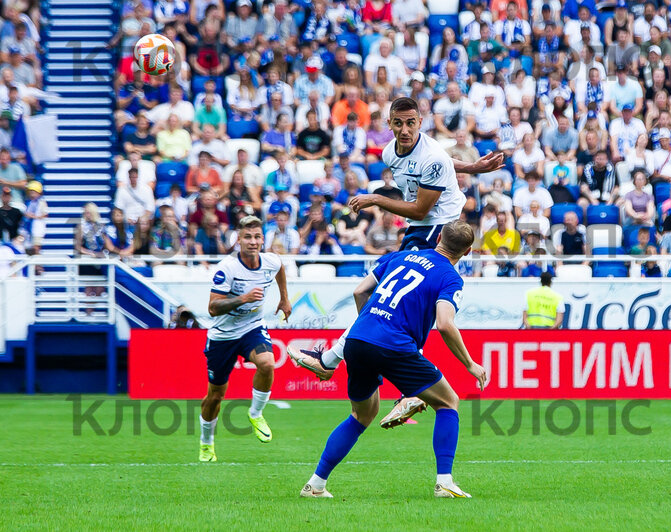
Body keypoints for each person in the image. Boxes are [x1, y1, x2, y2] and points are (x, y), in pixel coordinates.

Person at [288, 97, 502, 426]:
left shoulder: (430, 155)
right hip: (418, 230)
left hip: (436, 228)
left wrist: (376, 197)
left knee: (399, 301)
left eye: (411, 123)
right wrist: (473, 168)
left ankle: (338, 362)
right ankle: (363, 366)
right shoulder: (390, 153)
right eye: (398, 123)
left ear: (420, 122)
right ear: (389, 123)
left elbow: (420, 208)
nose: (404, 129)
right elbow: (443, 166)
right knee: (379, 301)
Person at [298, 221, 486, 498]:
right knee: (448, 402)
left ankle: (315, 484)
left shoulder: (400, 256)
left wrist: (371, 326)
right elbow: (445, 324)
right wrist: (470, 363)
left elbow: (359, 291)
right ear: (468, 251)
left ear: (439, 238)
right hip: (394, 345)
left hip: (357, 339)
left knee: (361, 415)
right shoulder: (450, 276)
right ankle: (444, 482)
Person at [199, 216, 292, 462]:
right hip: (223, 336)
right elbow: (212, 308)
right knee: (215, 396)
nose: (253, 242)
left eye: (257, 237)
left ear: (263, 239)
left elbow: (280, 267)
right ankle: (206, 443)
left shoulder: (270, 261)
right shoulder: (226, 269)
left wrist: (284, 298)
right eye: (247, 237)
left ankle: (256, 413)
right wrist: (243, 298)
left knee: (267, 363)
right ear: (238, 240)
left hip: (251, 327)